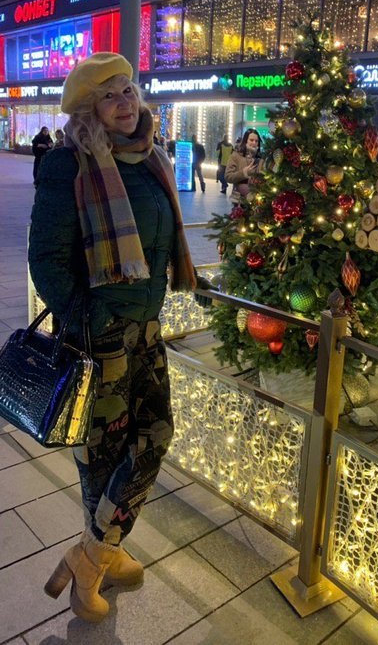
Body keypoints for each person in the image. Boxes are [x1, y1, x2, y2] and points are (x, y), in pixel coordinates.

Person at [28, 52, 204, 623]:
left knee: (154, 436)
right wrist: (92, 318)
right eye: (110, 95)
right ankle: (101, 557)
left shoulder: (149, 157)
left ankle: (92, 555)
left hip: (146, 329)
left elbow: (158, 243)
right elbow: (45, 259)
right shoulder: (69, 165)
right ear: (89, 109)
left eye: (129, 89)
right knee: (102, 455)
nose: (125, 102)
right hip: (100, 337)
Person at [225, 128, 262, 204]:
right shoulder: (236, 155)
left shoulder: (260, 158)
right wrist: (243, 173)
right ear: (246, 140)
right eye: (251, 140)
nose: (254, 143)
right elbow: (228, 176)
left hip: (257, 200)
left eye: (256, 141)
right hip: (239, 200)